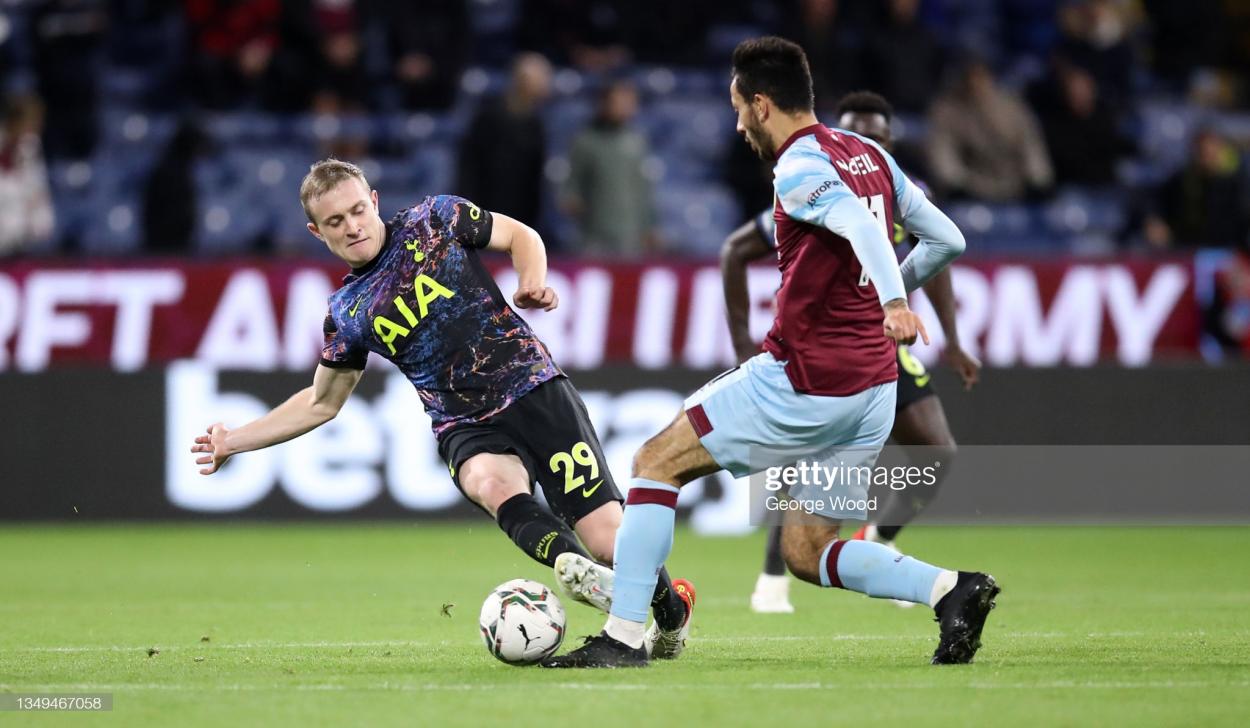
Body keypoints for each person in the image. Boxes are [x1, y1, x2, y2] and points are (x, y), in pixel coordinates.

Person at [543, 37, 997, 669]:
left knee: (655, 462)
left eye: (738, 109)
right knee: (808, 550)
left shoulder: (800, 164)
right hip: (872, 390)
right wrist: (880, 297)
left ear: (762, 104)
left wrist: (892, 301)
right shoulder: (868, 154)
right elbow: (947, 237)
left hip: (806, 379)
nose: (736, 125)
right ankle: (951, 590)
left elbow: (864, 230)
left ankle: (622, 637)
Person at [189, 159, 694, 656]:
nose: (353, 226)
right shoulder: (346, 312)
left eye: (357, 210)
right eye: (335, 222)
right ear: (317, 232)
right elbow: (321, 403)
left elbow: (523, 237)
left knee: (610, 539)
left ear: (374, 202)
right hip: (462, 423)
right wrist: (233, 441)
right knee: (490, 485)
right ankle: (572, 568)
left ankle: (670, 612)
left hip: (535, 391)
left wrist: (531, 281)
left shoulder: (436, 220)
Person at [720, 90, 981, 614]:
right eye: (855, 130)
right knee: (804, 460)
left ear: (887, 140)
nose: (865, 140)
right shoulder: (808, 183)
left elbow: (941, 251)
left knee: (937, 452)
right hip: (825, 337)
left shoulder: (898, 187)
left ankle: (878, 543)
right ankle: (773, 578)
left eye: (876, 133)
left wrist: (951, 337)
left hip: (882, 333)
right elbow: (734, 250)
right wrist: (742, 342)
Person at [562, 79, 660, 257]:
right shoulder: (586, 141)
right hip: (595, 235)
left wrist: (648, 227)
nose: (625, 107)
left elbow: (643, 190)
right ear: (604, 103)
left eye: (629, 102)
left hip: (631, 236)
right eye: (619, 101)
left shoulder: (637, 142)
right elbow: (571, 191)